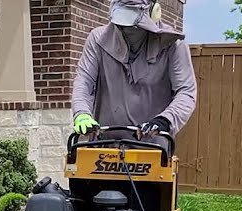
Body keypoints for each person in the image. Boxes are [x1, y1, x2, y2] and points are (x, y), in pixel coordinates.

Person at [71, 0, 197, 147]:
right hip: (103, 144)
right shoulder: (98, 39)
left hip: (152, 147)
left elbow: (186, 92)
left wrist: (165, 120)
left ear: (153, 12)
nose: (126, 29)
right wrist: (82, 113)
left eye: (135, 25)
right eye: (122, 24)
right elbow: (84, 81)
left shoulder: (173, 46)